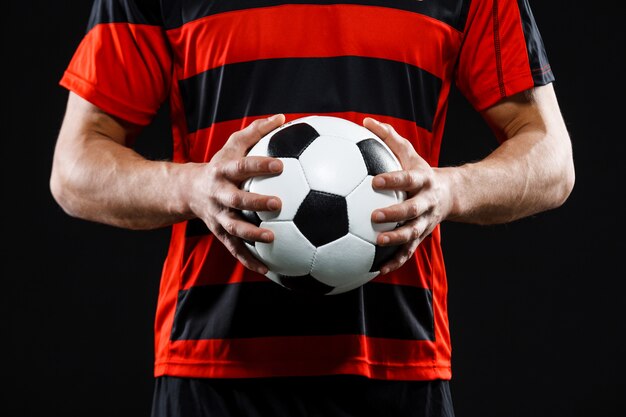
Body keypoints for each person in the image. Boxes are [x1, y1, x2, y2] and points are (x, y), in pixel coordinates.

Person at [50, 0, 575, 416]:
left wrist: (451, 190)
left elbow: (551, 158)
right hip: (212, 367)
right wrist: (191, 188)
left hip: (397, 365)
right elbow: (75, 168)